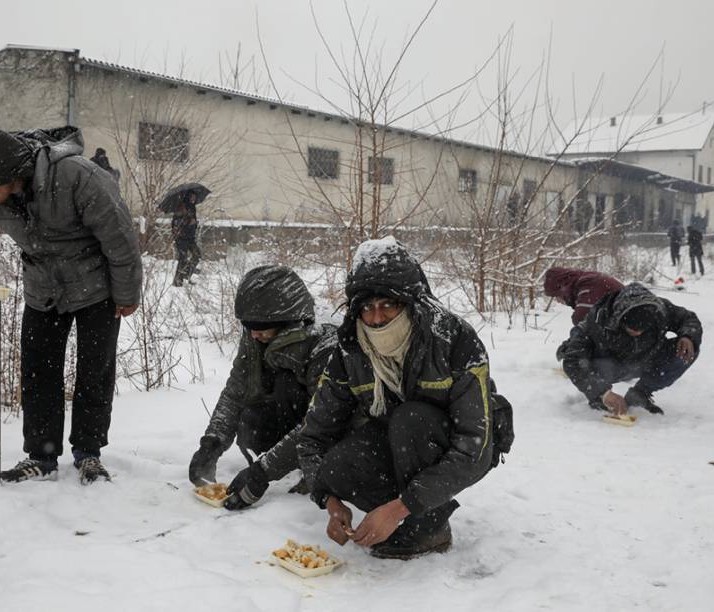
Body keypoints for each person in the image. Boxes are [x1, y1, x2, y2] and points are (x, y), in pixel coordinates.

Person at [0, 125, 142, 484]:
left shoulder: (76, 175)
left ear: (11, 173)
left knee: (94, 372)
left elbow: (120, 236)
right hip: (42, 288)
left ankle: (88, 454)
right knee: (38, 373)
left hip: (95, 287)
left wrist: (126, 293)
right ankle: (42, 457)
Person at [297, 238, 512, 560]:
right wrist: (329, 501)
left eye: (388, 304)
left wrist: (401, 507)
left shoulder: (454, 338)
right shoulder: (350, 348)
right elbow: (313, 438)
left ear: (411, 303)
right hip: (395, 435)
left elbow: (474, 447)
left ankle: (428, 528)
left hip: (450, 440)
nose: (377, 318)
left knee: (411, 419)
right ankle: (403, 520)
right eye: (367, 308)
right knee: (339, 464)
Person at [188, 265, 337, 510]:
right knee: (251, 419)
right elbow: (237, 389)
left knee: (287, 386)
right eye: (248, 326)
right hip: (290, 418)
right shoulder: (257, 333)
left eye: (259, 327)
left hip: (331, 431)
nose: (252, 334)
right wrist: (212, 442)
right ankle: (287, 459)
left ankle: (313, 469)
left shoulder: (325, 341)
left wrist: (262, 472)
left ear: (285, 321)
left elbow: (320, 421)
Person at [560, 282, 701, 415]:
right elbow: (572, 361)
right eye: (631, 329)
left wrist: (688, 336)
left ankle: (639, 394)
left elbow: (688, 319)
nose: (637, 333)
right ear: (619, 318)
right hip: (607, 365)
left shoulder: (660, 309)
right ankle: (599, 398)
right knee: (581, 358)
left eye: (643, 330)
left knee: (687, 350)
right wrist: (602, 393)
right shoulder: (597, 320)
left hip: (646, 358)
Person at [543, 267, 624, 326]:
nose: (558, 301)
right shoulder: (584, 280)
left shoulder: (588, 283)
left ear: (561, 288)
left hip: (629, 326)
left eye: (557, 296)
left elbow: (582, 318)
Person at [171, 190, 201, 287]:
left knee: (197, 255)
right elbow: (176, 223)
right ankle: (177, 281)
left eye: (194, 197)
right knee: (182, 258)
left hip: (190, 238)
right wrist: (189, 222)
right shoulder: (181, 207)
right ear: (188, 196)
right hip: (181, 238)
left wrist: (195, 223)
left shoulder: (193, 207)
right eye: (192, 197)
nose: (193, 199)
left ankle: (186, 275)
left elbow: (193, 221)